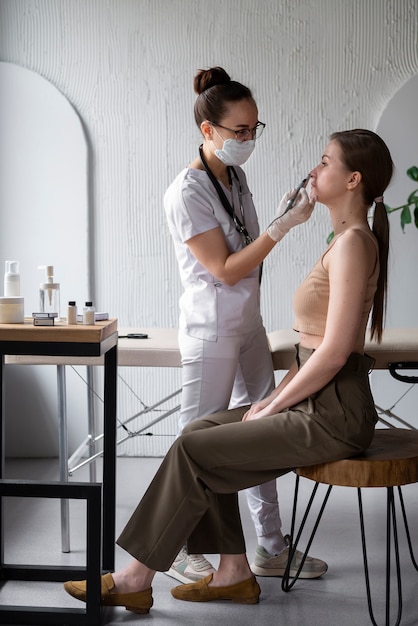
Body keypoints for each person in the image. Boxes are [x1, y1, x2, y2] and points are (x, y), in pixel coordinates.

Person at [64, 128, 393, 613]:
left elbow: (337, 351)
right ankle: (233, 570)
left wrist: (273, 403)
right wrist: (274, 399)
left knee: (198, 447)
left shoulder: (353, 244)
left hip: (333, 414)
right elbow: (316, 349)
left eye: (324, 162)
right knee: (199, 432)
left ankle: (135, 578)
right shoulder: (341, 239)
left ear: (353, 180)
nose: (313, 170)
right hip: (316, 402)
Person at [163, 66, 323, 584]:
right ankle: (189, 548)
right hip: (211, 330)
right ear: (208, 130)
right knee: (200, 441)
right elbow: (226, 268)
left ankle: (271, 547)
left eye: (255, 128)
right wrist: (282, 227)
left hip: (248, 324)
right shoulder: (186, 192)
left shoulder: (236, 176)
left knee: (264, 431)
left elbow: (245, 252)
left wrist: (277, 216)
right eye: (240, 130)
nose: (249, 138)